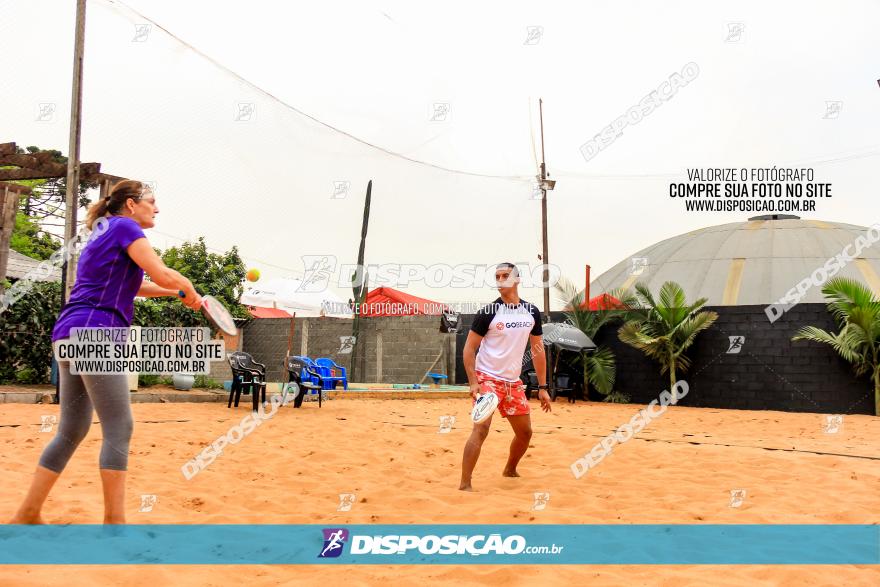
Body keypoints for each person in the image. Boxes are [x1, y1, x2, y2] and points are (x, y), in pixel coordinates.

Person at [9, 180, 202, 524]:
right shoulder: (127, 227)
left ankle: (28, 512)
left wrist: (176, 294)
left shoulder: (102, 233)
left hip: (68, 333)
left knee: (71, 429)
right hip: (98, 332)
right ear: (131, 204)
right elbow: (160, 272)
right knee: (119, 427)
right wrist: (187, 286)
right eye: (152, 202)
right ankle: (115, 524)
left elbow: (138, 285)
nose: (156, 209)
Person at [459, 262, 550, 491]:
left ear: (517, 279)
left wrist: (543, 386)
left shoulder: (531, 312)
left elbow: (538, 350)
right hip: (487, 379)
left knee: (525, 433)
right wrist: (473, 382)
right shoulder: (488, 312)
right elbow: (469, 349)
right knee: (481, 429)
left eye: (505, 276)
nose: (500, 280)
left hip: (513, 383)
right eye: (497, 276)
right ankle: (465, 484)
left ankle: (510, 469)